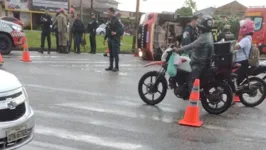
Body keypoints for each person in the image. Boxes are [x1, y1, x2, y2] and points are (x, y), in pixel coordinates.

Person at [174, 15, 214, 99]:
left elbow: (191, 45)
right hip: (201, 60)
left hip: (198, 63)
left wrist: (179, 50)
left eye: (199, 27)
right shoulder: (208, 34)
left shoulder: (203, 37)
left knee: (191, 82)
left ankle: (193, 100)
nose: (198, 28)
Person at [233, 19, 254, 84]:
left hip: (242, 61)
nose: (240, 29)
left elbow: (237, 47)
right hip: (243, 60)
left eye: (242, 27)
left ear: (245, 29)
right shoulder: (248, 38)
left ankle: (234, 92)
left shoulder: (246, 39)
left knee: (235, 79)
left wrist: (230, 46)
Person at [104, 8, 123, 72]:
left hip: (115, 39)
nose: (108, 13)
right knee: (111, 54)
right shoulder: (109, 20)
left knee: (115, 54)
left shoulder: (116, 20)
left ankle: (116, 67)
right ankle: (111, 66)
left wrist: (116, 33)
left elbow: (121, 28)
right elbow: (107, 30)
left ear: (112, 13)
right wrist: (105, 38)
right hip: (110, 39)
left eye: (109, 12)